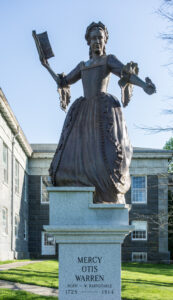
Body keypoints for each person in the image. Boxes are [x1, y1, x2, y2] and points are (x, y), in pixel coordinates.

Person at [41, 22, 156, 203]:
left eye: (99, 38)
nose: (96, 41)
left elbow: (126, 74)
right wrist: (46, 65)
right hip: (83, 111)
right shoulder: (82, 65)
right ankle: (79, 187)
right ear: (88, 41)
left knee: (106, 153)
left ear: (105, 41)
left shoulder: (108, 60)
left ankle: (106, 189)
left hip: (103, 111)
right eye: (93, 38)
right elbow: (64, 82)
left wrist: (144, 85)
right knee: (71, 156)